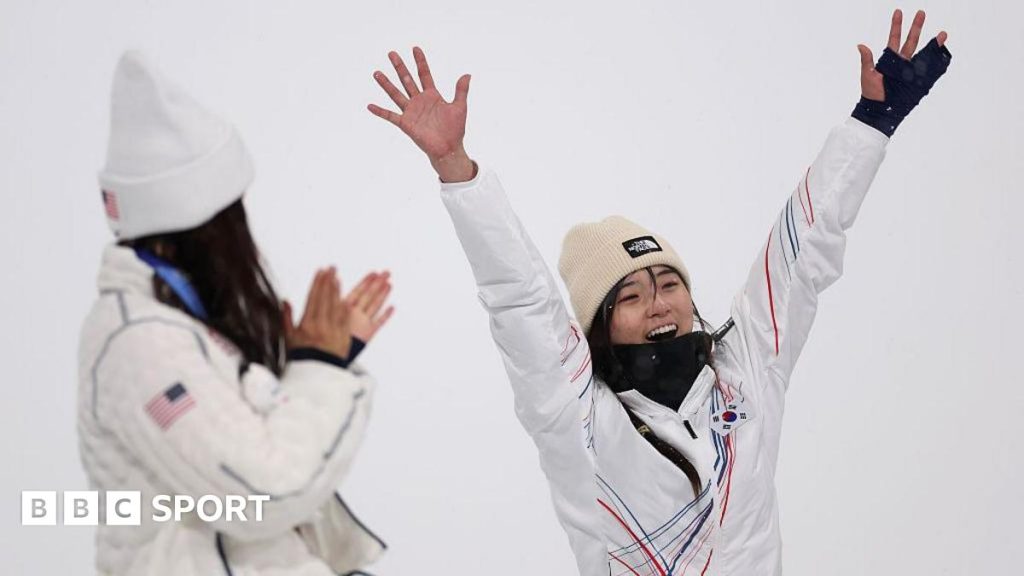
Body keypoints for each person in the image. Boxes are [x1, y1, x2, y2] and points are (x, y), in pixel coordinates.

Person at [368, 9, 951, 575]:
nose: (659, 303)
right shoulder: (579, 418)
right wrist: (455, 166)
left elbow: (800, 253)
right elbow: (522, 299)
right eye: (630, 296)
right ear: (602, 325)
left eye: (669, 283)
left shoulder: (744, 371)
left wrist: (872, 122)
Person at [78, 52, 393, 575]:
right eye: (231, 212)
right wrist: (319, 366)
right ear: (198, 222)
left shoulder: (178, 326)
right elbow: (265, 491)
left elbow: (244, 449)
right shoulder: (141, 345)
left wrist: (316, 361)